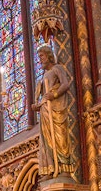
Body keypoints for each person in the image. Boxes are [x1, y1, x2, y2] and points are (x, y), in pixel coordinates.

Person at [33, 44, 78, 180]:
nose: (40, 59)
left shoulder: (57, 68)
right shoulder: (43, 76)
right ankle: (51, 168)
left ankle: (64, 167)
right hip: (45, 111)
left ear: (49, 55)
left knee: (60, 137)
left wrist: (55, 95)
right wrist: (37, 105)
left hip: (56, 109)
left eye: (42, 56)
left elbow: (65, 84)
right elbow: (44, 95)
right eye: (39, 57)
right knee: (47, 141)